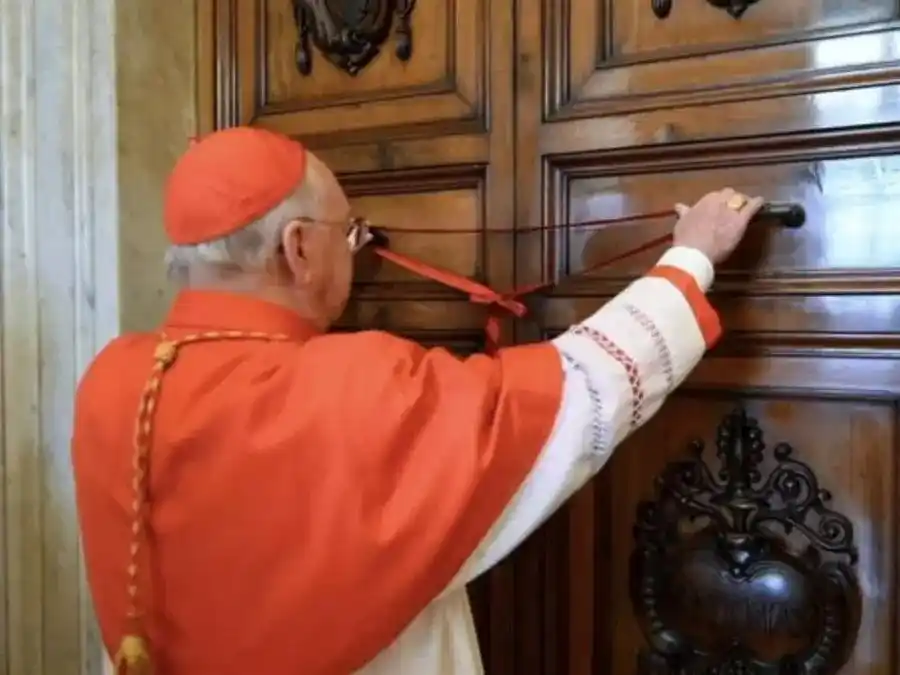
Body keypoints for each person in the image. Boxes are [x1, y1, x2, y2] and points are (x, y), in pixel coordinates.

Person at [71, 126, 763, 675]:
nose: (360, 248)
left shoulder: (113, 378)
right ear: (298, 250)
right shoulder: (353, 385)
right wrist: (690, 259)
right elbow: (572, 391)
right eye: (349, 234)